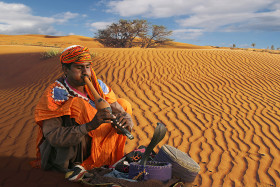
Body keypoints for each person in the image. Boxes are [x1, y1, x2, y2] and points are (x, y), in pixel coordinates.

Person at [30, 45, 134, 180]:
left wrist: (126, 121)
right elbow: (53, 136)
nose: (86, 72)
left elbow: (117, 109)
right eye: (79, 68)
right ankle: (81, 166)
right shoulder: (56, 93)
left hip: (95, 146)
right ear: (65, 69)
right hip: (69, 156)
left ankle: (105, 158)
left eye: (88, 67)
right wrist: (90, 125)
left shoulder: (98, 86)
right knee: (79, 105)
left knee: (123, 104)